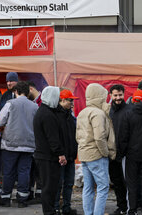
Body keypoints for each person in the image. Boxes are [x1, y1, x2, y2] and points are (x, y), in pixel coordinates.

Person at [76, 83, 116, 215]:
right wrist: (105, 152)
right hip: (97, 155)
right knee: (103, 187)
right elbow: (99, 137)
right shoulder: (98, 113)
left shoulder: (82, 112)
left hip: (84, 154)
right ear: (99, 96)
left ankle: (88, 213)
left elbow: (77, 136)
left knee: (88, 187)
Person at [0, 82, 37, 208]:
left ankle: (5, 199)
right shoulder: (35, 106)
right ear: (27, 92)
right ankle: (22, 200)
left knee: (8, 172)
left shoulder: (10, 104)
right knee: (24, 172)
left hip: (10, 144)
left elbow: (0, 122)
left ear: (16, 92)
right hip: (29, 145)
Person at [33, 86, 65, 214]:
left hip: (43, 155)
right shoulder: (48, 115)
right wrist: (60, 153)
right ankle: (49, 211)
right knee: (49, 187)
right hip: (48, 157)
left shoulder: (42, 111)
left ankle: (49, 210)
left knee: (48, 186)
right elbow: (53, 138)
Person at [53, 89, 79, 215]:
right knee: (59, 184)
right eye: (70, 100)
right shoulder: (56, 116)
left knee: (69, 183)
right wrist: (59, 153)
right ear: (62, 100)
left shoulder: (70, 116)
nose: (72, 103)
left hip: (70, 155)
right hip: (61, 156)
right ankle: (56, 207)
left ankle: (66, 207)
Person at [108, 84, 129, 215]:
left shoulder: (129, 110)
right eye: (115, 95)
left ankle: (130, 206)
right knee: (116, 182)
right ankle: (121, 206)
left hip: (126, 153)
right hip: (112, 153)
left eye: (120, 95)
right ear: (111, 96)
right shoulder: (109, 111)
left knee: (127, 181)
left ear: (124, 94)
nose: (118, 98)